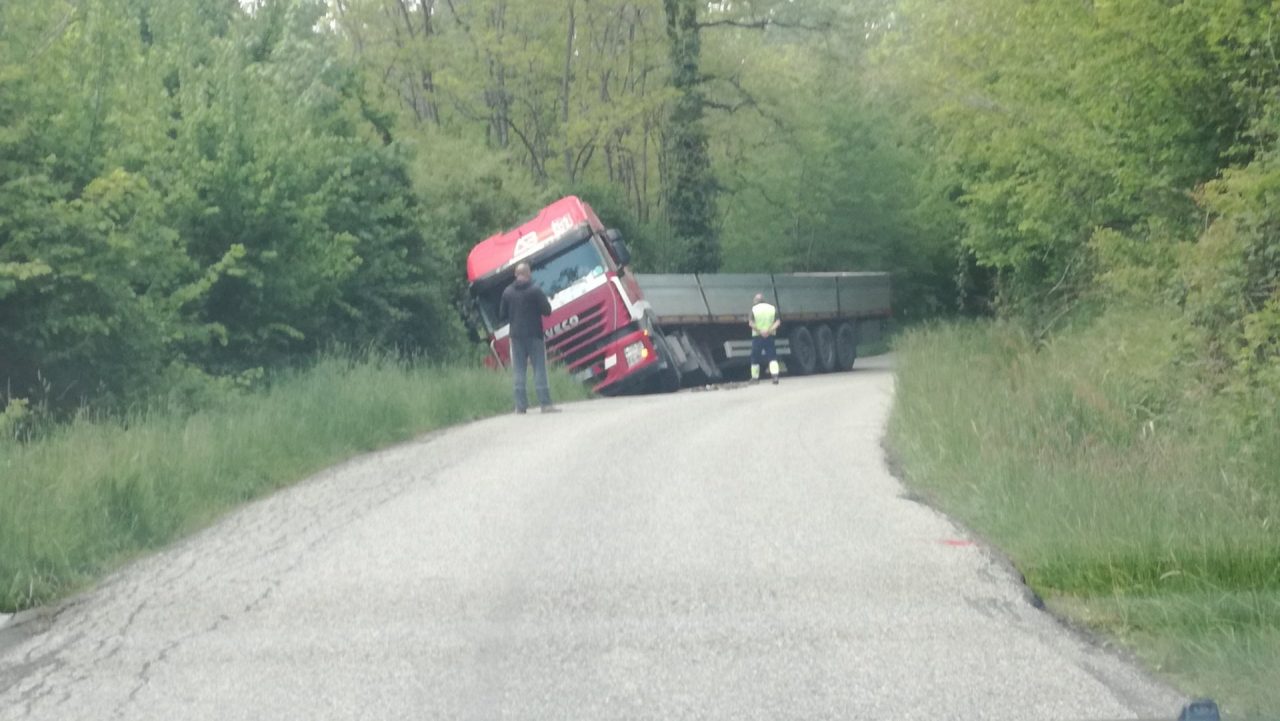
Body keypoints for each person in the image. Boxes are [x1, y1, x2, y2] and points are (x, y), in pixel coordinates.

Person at [499, 262, 561, 414]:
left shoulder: (507, 292)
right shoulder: (535, 290)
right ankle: (545, 404)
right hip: (534, 334)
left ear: (516, 274)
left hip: (516, 336)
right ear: (529, 274)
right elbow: (547, 310)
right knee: (539, 368)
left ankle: (520, 407)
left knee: (519, 370)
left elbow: (502, 315)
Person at [748, 292, 781, 385]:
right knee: (772, 356)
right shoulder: (772, 308)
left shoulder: (754, 309)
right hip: (770, 336)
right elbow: (778, 322)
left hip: (758, 336)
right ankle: (775, 377)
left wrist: (760, 331)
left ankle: (755, 378)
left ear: (756, 301)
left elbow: (751, 323)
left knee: (755, 357)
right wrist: (769, 331)